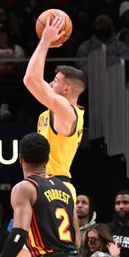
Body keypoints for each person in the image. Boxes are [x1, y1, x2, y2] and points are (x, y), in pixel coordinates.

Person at [24, 15, 87, 183]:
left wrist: (45, 41)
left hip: (56, 183)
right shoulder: (53, 111)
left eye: (56, 81)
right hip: (44, 181)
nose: (50, 83)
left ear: (67, 89)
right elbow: (33, 79)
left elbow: (30, 79)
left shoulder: (66, 110)